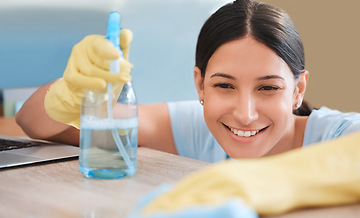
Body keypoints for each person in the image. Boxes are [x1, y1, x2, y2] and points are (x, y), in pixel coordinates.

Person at [16, 0, 360, 164]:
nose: (244, 114)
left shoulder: (339, 136)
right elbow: (32, 123)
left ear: (299, 89)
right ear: (200, 85)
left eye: (267, 87)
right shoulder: (198, 128)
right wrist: (70, 94)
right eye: (224, 85)